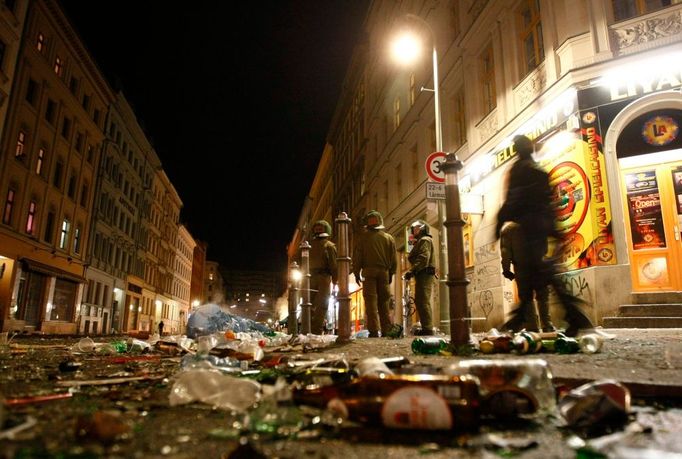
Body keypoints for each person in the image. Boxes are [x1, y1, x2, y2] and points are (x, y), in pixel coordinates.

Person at [496, 134, 593, 337]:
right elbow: (549, 202)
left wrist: (500, 220)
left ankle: (571, 316)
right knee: (538, 272)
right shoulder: (539, 170)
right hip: (541, 226)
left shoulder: (519, 169)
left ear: (517, 150)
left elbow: (515, 197)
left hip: (529, 226)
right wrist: (555, 230)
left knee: (537, 272)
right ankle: (529, 315)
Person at [499, 221, 555, 332]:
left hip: (522, 269)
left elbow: (505, 252)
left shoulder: (508, 230)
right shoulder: (536, 223)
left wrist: (506, 270)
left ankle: (532, 327)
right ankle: (547, 325)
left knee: (527, 298)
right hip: (539, 265)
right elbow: (545, 247)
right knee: (543, 296)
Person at [352, 210, 398, 337]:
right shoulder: (389, 238)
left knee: (371, 302)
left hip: (368, 272)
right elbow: (394, 259)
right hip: (384, 272)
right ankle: (386, 329)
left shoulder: (362, 239)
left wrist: (356, 273)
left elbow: (357, 258)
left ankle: (373, 330)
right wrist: (391, 273)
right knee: (384, 301)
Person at [404, 220, 436, 336]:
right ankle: (426, 326)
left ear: (423, 229)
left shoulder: (425, 240)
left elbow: (423, 258)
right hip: (422, 274)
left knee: (423, 301)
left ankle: (428, 328)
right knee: (420, 300)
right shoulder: (420, 241)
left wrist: (412, 271)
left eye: (417, 228)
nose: (414, 231)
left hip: (424, 274)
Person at [309, 220, 338, 335]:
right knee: (312, 305)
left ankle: (315, 331)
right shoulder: (311, 245)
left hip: (322, 277)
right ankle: (313, 330)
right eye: (317, 228)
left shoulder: (329, 246)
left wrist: (335, 280)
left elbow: (333, 265)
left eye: (320, 228)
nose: (318, 230)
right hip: (313, 277)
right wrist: (335, 280)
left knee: (320, 305)